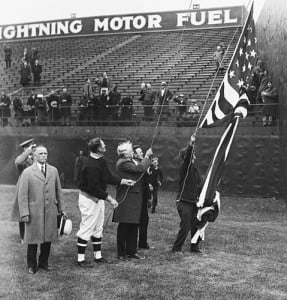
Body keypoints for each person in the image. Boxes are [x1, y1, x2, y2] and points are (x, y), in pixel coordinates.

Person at [76, 138, 135, 267]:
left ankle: (98, 256)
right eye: (103, 145)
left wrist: (124, 181)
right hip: (88, 200)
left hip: (98, 199)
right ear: (98, 149)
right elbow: (93, 188)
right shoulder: (90, 165)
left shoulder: (101, 161)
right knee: (87, 227)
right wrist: (110, 199)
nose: (105, 146)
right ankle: (80, 259)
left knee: (98, 228)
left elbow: (108, 177)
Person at [17, 145, 63, 274]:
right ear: (35, 156)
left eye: (45, 154)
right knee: (33, 239)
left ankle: (44, 263)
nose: (43, 156)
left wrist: (61, 208)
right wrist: (24, 213)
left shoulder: (53, 170)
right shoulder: (27, 172)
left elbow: (58, 190)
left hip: (50, 211)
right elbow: (22, 195)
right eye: (41, 154)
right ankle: (32, 265)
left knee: (47, 239)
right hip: (34, 212)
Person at [113, 141, 152, 261]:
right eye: (130, 150)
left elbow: (140, 169)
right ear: (124, 153)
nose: (132, 152)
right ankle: (121, 253)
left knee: (134, 225)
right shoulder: (123, 163)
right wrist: (146, 156)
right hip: (127, 198)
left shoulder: (129, 161)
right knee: (124, 225)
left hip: (135, 198)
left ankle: (132, 251)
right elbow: (139, 169)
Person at [172, 134, 203, 254]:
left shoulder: (194, 169)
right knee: (185, 226)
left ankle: (194, 247)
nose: (194, 155)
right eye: (192, 153)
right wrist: (191, 143)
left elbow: (199, 185)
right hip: (183, 202)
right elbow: (188, 157)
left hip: (193, 202)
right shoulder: (185, 167)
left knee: (196, 225)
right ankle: (176, 248)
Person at [11, 138, 36, 244]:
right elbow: (18, 162)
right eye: (31, 147)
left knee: (34, 212)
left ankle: (33, 235)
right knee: (22, 213)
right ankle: (23, 237)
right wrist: (28, 151)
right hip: (23, 189)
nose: (33, 149)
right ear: (26, 148)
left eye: (33, 147)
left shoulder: (36, 158)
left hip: (34, 188)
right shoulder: (21, 159)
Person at [133, 145, 151, 250]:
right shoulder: (137, 165)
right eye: (140, 152)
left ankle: (143, 243)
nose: (142, 153)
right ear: (135, 154)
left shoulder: (143, 165)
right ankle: (134, 244)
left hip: (143, 198)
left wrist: (148, 197)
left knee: (145, 220)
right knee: (136, 222)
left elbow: (146, 183)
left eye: (142, 151)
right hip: (137, 198)